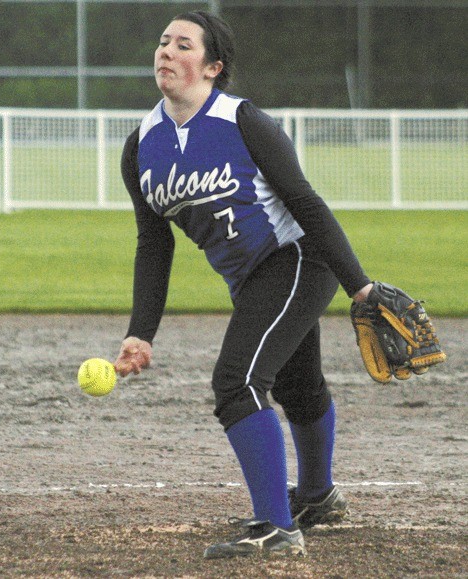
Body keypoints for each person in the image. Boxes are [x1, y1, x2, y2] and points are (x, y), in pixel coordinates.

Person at [113, 10, 373, 559]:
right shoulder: (142, 146)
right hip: (251, 279)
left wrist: (361, 287)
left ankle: (277, 528)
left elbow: (304, 202)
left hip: (297, 259)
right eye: (162, 42)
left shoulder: (243, 121)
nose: (166, 51)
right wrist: (141, 333)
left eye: (183, 45)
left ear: (212, 67)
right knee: (297, 386)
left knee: (238, 381)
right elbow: (154, 244)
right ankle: (318, 498)